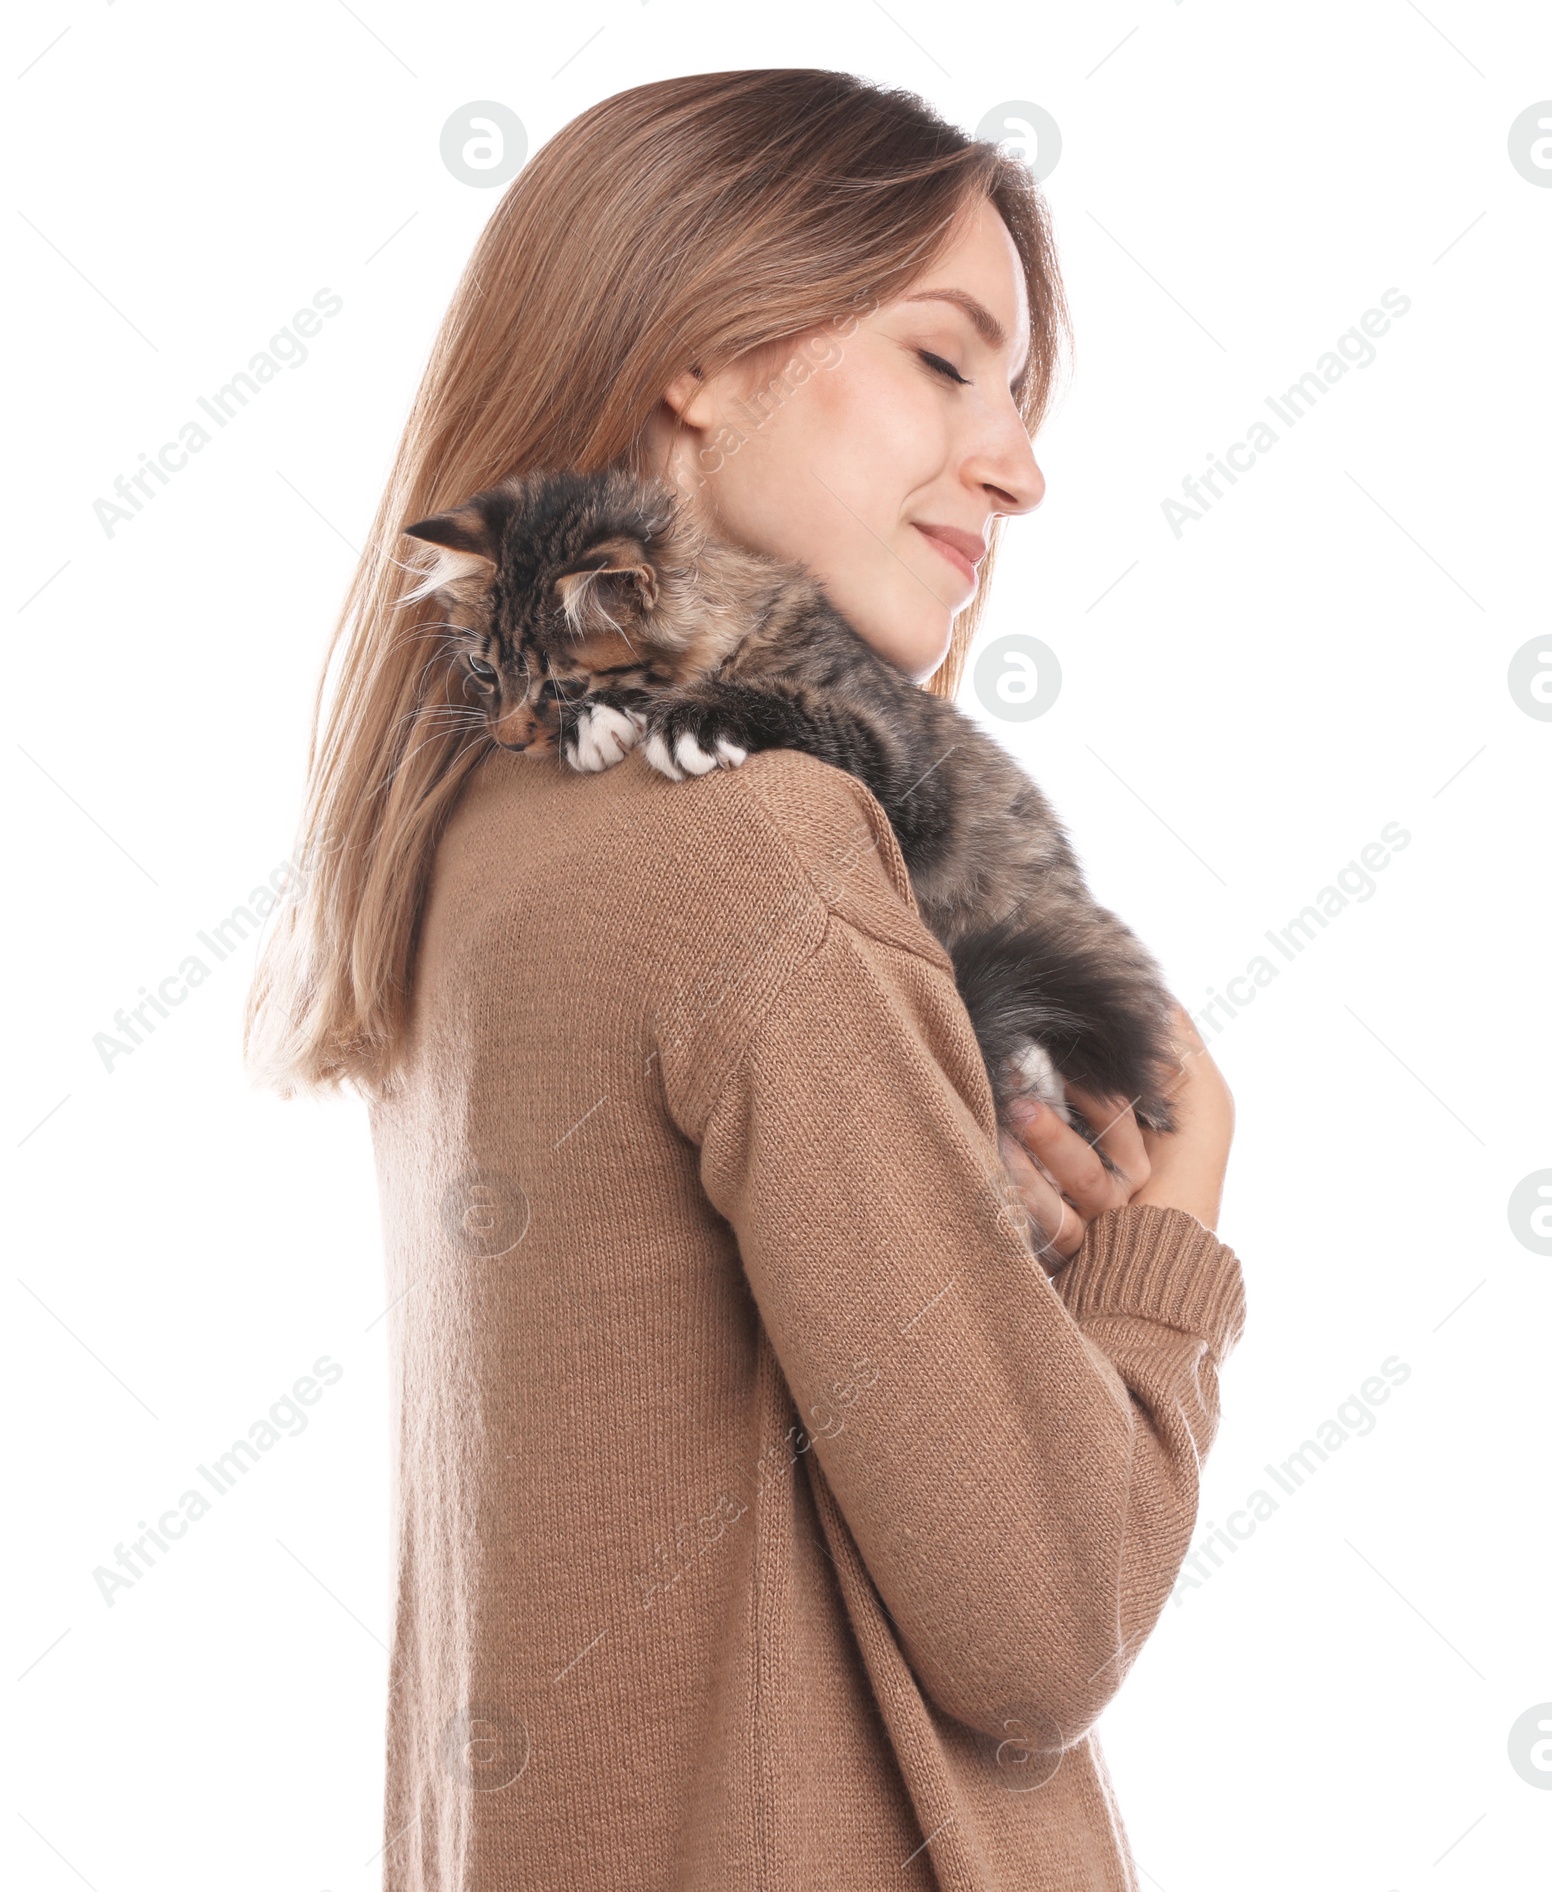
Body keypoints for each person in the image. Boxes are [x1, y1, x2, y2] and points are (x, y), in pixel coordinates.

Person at [245, 68, 1243, 1892]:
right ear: (698, 351)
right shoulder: (762, 850)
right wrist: (1175, 1217)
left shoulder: (477, 840)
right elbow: (1042, 1624)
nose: (1021, 463)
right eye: (949, 361)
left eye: (1019, 398)